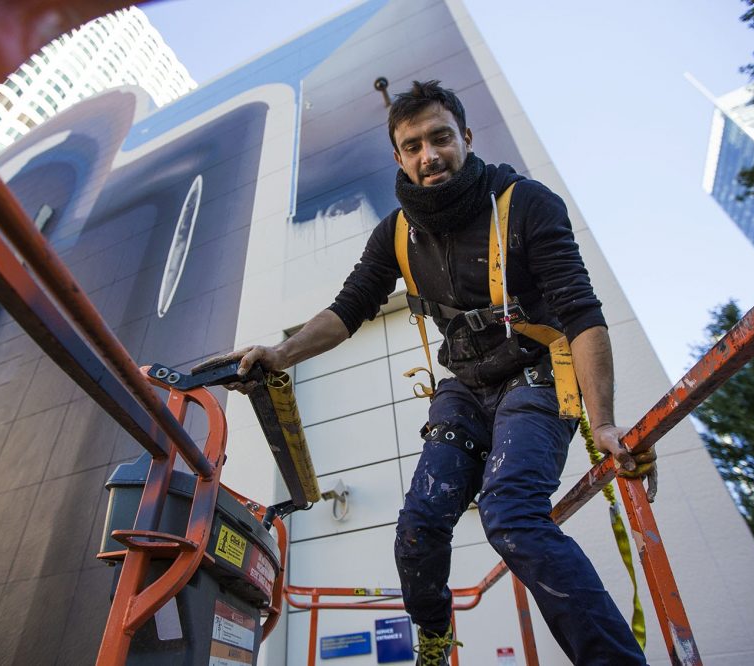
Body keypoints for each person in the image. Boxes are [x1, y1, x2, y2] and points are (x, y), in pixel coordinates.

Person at [205, 80, 656, 665]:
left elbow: (581, 314)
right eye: (413, 146)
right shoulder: (395, 233)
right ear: (399, 157)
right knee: (418, 526)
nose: (429, 156)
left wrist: (603, 424)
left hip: (537, 375)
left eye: (440, 138)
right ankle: (436, 639)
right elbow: (349, 308)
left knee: (511, 513)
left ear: (465, 137)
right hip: (466, 389)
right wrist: (278, 354)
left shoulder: (526, 203)